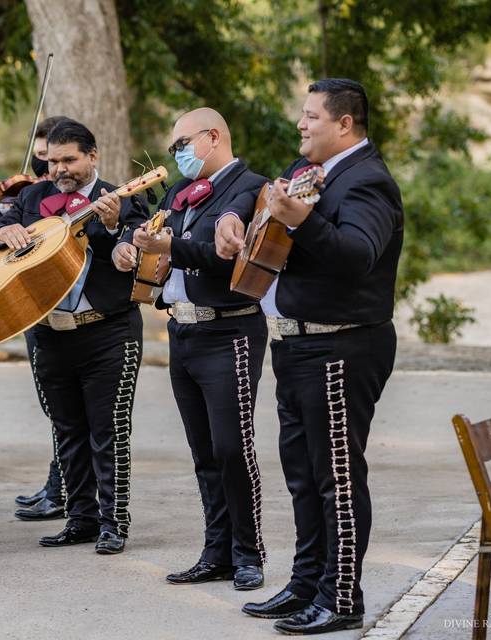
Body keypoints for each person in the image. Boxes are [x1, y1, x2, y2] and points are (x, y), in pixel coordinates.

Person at [216, 78, 403, 634]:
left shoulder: (368, 181)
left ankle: (342, 596)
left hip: (342, 345)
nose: (300, 124)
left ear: (345, 123)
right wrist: (238, 226)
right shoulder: (315, 175)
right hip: (297, 343)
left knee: (337, 477)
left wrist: (301, 218)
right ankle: (306, 584)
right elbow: (279, 239)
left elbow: (357, 256)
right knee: (302, 474)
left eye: (311, 116)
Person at [110, 108, 269, 590]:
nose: (176, 151)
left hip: (230, 331)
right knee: (203, 452)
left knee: (231, 447)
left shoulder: (249, 187)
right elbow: (156, 233)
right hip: (183, 331)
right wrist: (130, 246)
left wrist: (166, 246)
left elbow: (225, 255)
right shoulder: (179, 193)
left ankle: (248, 553)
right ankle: (215, 550)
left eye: (183, 141)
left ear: (213, 136)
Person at [0, 118, 149, 554]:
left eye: (70, 159)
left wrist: (116, 230)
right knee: (66, 431)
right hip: (49, 333)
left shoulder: (124, 196)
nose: (60, 168)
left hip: (108, 332)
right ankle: (79, 519)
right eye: (53, 160)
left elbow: (142, 246)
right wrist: (3, 232)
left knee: (108, 431)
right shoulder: (32, 197)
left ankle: (114, 523)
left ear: (92, 156)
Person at [0, 115, 67, 521]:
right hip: (36, 311)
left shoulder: (66, 194)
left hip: (66, 308)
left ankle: (61, 488)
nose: (44, 170)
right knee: (53, 405)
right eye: (40, 158)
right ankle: (57, 482)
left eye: (51, 159)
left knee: (65, 409)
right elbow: (0, 245)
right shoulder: (27, 196)